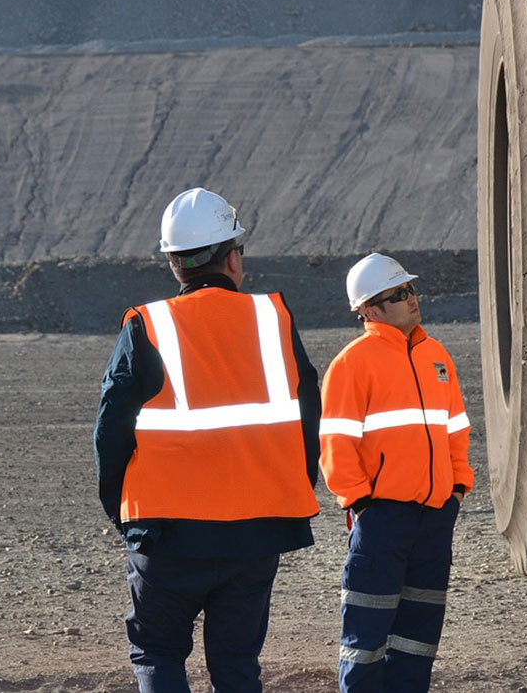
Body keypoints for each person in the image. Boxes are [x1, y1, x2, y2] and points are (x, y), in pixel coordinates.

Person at [94, 187, 321, 693]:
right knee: (238, 663)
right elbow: (309, 411)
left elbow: (111, 427)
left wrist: (121, 510)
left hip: (167, 531)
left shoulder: (145, 324)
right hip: (259, 528)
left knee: (157, 651)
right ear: (233, 258)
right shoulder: (273, 319)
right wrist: (291, 487)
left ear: (175, 264)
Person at [319, 252, 474, 692]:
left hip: (434, 517)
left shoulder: (437, 355)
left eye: (410, 290)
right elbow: (335, 443)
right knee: (366, 637)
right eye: (399, 294)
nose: (412, 299)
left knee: (418, 638)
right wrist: (361, 502)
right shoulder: (353, 363)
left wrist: (458, 488)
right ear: (370, 310)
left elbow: (456, 430)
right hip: (381, 519)